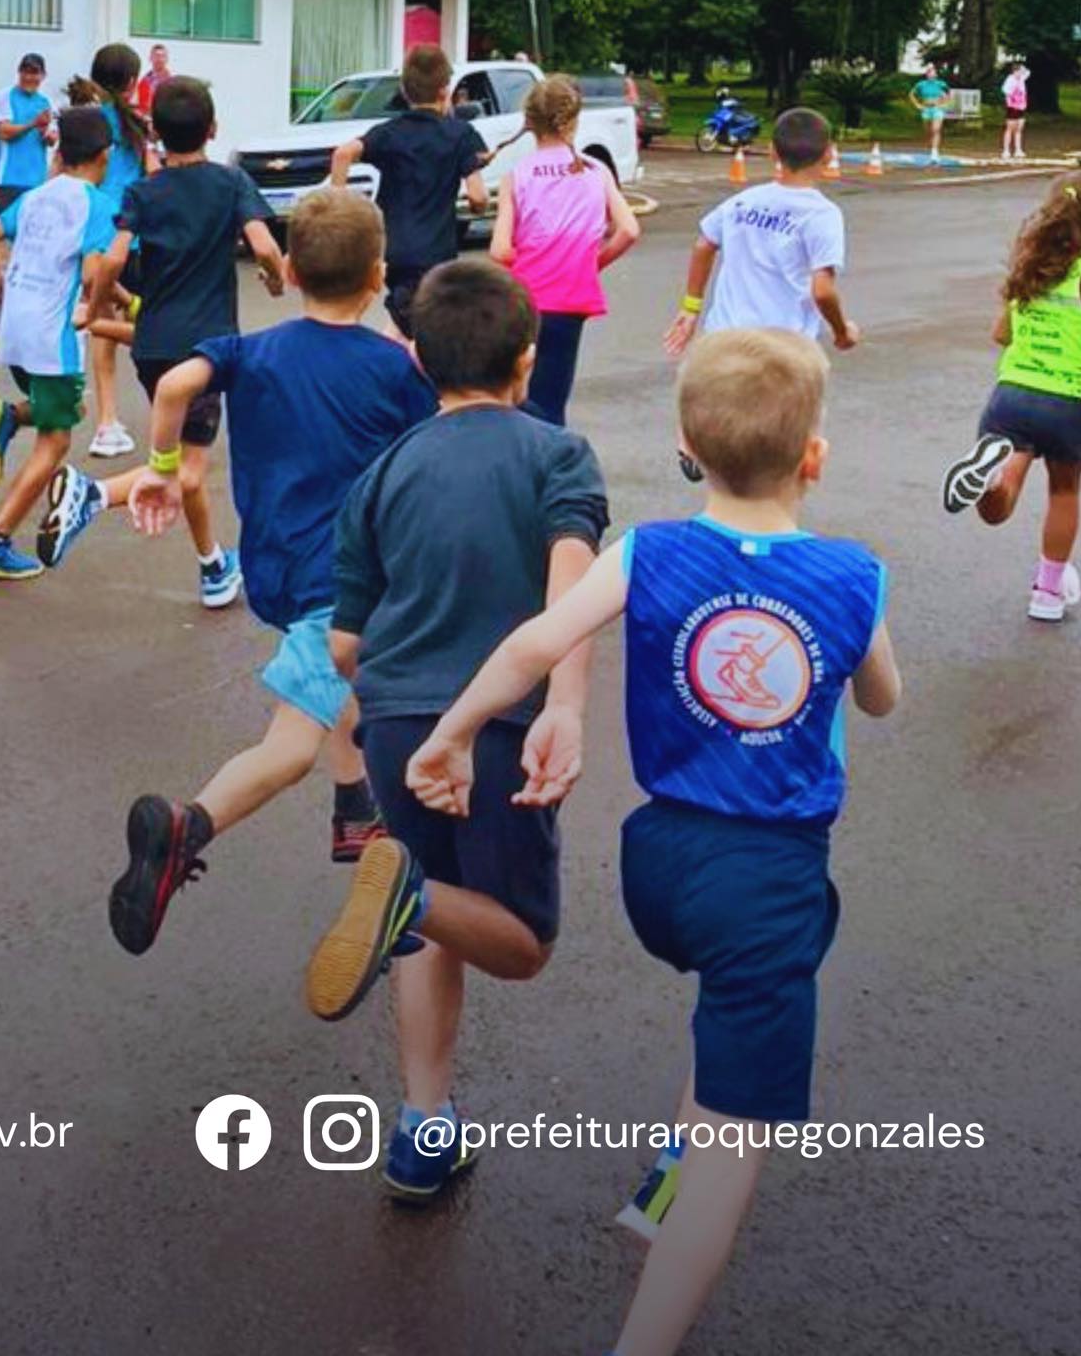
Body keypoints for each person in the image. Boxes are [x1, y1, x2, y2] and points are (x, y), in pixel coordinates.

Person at [400, 328, 901, 1356]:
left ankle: (671, 1161)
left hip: (657, 861)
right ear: (814, 455)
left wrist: (452, 731)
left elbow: (539, 640)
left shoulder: (648, 550)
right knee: (737, 1142)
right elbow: (883, 697)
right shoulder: (854, 575)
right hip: (765, 881)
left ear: (684, 443)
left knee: (716, 1009)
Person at [297, 259, 608, 1204]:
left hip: (395, 720)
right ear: (526, 360)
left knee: (426, 909)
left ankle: (423, 1126)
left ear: (420, 362)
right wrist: (563, 703)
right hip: (499, 722)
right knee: (519, 941)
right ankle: (409, 903)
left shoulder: (381, 474)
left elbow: (345, 641)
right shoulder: (556, 453)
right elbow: (575, 586)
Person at [104, 189, 439, 958]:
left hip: (278, 571)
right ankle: (188, 827)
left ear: (288, 269)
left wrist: (159, 467)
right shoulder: (395, 371)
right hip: (347, 583)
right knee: (293, 742)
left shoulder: (247, 351)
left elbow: (179, 386)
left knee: (350, 689)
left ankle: (356, 811)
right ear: (379, 275)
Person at [31, 74, 285, 611]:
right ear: (212, 129)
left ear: (157, 138)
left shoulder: (142, 191)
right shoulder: (231, 183)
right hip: (206, 348)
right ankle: (91, 495)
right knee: (186, 468)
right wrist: (277, 277)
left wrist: (95, 308)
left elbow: (117, 257)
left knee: (176, 457)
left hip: (152, 348)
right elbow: (263, 244)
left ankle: (213, 565)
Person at [942, 173, 1081, 623]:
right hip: (1068, 402)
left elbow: (1000, 333)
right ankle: (1046, 593)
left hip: (1012, 396)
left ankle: (987, 481)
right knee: (1064, 491)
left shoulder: (1029, 269)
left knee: (1001, 504)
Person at [0, 108, 116, 581]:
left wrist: (0, 286)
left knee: (64, 410)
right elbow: (95, 271)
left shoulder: (33, 198)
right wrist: (99, 304)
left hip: (16, 329)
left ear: (59, 151)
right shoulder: (98, 204)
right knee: (57, 439)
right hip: (55, 337)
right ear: (105, 155)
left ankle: (9, 416)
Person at [492, 75, 641, 426]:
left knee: (511, 391)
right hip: (570, 297)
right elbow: (629, 230)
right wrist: (591, 263)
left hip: (524, 298)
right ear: (573, 121)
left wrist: (525, 257)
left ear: (529, 122)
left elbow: (500, 251)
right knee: (551, 399)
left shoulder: (517, 175)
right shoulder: (595, 170)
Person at [664, 108, 857, 367]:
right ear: (829, 153)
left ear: (772, 151)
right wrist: (842, 331)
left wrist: (691, 307)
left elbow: (704, 244)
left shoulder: (743, 203)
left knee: (718, 407)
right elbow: (822, 291)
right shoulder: (822, 215)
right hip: (780, 349)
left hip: (723, 340)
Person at [327, 44, 487, 338]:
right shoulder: (460, 134)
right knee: (421, 333)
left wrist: (337, 210)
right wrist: (477, 197)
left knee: (415, 325)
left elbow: (342, 154)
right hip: (436, 253)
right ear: (445, 90)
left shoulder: (389, 132)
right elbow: (478, 197)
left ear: (404, 89)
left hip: (392, 251)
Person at [69, 44, 157, 456]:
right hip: (134, 238)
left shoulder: (85, 122)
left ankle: (106, 422)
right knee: (146, 327)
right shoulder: (138, 126)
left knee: (102, 327)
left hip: (94, 238)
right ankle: (166, 411)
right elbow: (154, 176)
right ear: (132, 81)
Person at [0, 52, 58, 308]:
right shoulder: (5, 97)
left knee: (31, 236)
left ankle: (21, 283)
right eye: (26, 72)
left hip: (36, 179)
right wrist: (33, 124)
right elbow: (4, 132)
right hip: (10, 176)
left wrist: (46, 132)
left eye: (35, 73)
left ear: (43, 76)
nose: (29, 77)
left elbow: (53, 139)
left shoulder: (47, 102)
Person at [911, 64, 951, 161]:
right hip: (926, 109)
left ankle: (934, 151)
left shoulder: (941, 84)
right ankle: (931, 147)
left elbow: (948, 94)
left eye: (933, 72)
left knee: (936, 129)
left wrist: (944, 104)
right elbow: (912, 94)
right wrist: (917, 105)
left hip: (937, 108)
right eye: (929, 72)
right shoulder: (921, 84)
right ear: (926, 74)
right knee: (928, 131)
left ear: (936, 74)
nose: (931, 74)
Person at [1001, 61, 1031, 162]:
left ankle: (1018, 149)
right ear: (1014, 72)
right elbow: (1005, 91)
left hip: (1021, 107)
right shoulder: (1010, 80)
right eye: (1019, 71)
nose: (1020, 74)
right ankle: (1006, 150)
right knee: (1010, 128)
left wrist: (1022, 69)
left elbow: (1028, 72)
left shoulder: (1022, 78)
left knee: (1019, 129)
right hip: (1012, 107)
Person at [136, 43, 173, 117]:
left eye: (163, 56)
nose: (160, 59)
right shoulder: (144, 82)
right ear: (150, 58)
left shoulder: (172, 83)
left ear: (167, 59)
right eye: (156, 56)